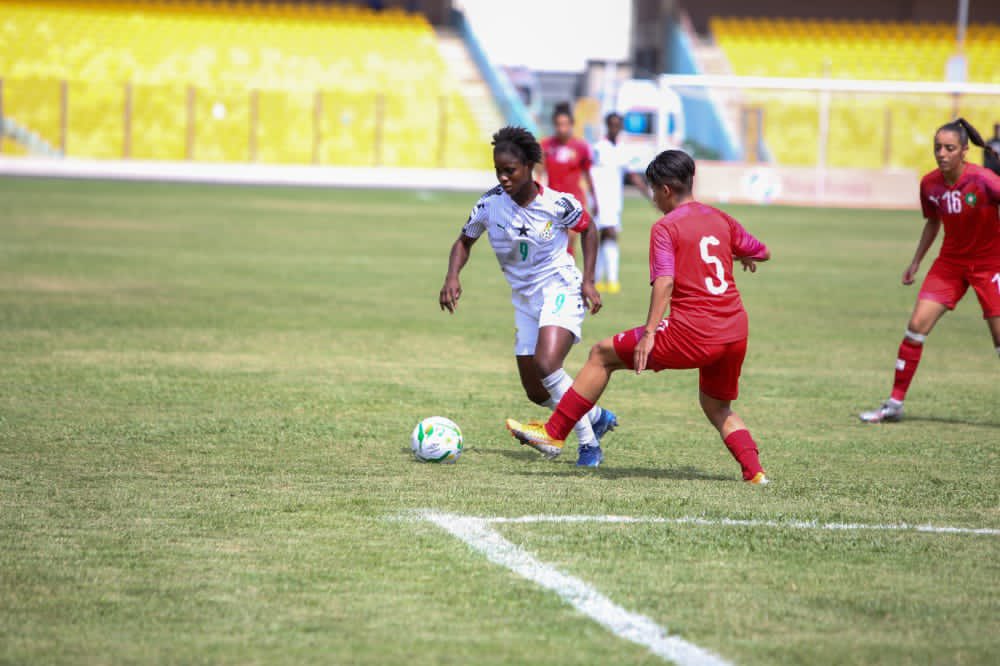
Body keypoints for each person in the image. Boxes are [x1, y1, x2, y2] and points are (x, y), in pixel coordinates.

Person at [506, 149, 771, 482]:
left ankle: (555, 431)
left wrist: (649, 333)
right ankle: (755, 471)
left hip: (693, 331)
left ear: (665, 190)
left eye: (652, 191)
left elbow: (665, 281)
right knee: (718, 407)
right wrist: (738, 251)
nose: (653, 199)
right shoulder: (720, 219)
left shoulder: (665, 227)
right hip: (734, 333)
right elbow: (762, 251)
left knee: (602, 354)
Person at [440, 126, 618, 466]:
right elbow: (464, 241)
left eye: (511, 170)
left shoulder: (556, 203)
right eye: (498, 171)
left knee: (547, 364)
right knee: (536, 390)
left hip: (560, 288)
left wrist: (590, 281)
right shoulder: (490, 205)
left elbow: (589, 229)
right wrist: (452, 276)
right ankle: (594, 416)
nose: (504, 177)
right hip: (524, 300)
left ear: (529, 167)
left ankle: (587, 444)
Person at [860, 118, 1000, 423]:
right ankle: (894, 405)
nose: (942, 153)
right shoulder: (930, 184)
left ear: (964, 151)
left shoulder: (986, 180)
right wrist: (916, 262)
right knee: (915, 327)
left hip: (991, 264)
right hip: (950, 263)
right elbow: (933, 222)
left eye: (949, 148)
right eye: (937, 147)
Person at [591, 111, 652, 294]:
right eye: (612, 124)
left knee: (606, 236)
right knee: (608, 234)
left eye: (618, 125)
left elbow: (632, 175)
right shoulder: (598, 148)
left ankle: (599, 278)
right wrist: (591, 197)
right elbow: (589, 173)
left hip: (614, 200)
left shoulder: (623, 149)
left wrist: (649, 194)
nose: (614, 128)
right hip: (599, 199)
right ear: (607, 125)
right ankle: (611, 279)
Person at [540, 102, 598, 256]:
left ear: (571, 124)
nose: (561, 128)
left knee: (569, 239)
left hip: (574, 200)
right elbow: (538, 173)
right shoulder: (546, 146)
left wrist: (594, 199)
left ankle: (568, 273)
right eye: (558, 124)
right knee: (550, 241)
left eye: (565, 124)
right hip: (551, 200)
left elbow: (587, 174)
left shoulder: (581, 147)